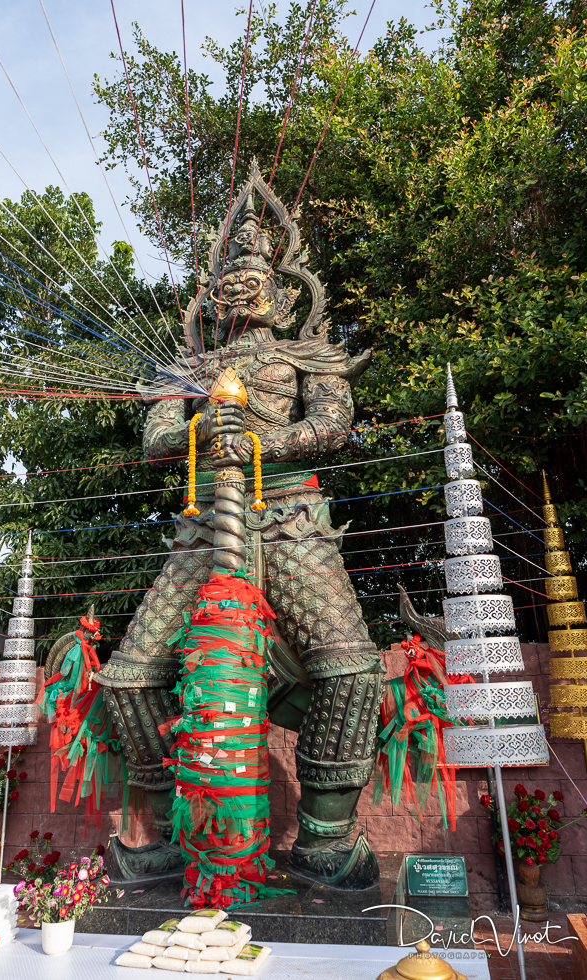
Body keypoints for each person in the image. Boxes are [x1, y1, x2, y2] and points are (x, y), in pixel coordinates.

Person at [96, 162, 385, 889]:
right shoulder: (187, 367)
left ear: (283, 293)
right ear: (211, 295)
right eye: (227, 276)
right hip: (204, 530)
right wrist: (205, 427)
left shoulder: (307, 354)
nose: (238, 284)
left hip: (288, 519)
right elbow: (156, 440)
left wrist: (262, 443)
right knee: (128, 680)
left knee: (350, 671)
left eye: (253, 273)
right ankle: (169, 834)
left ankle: (324, 840)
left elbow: (331, 424)